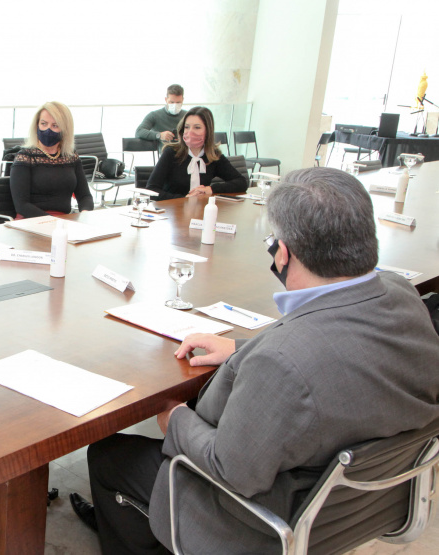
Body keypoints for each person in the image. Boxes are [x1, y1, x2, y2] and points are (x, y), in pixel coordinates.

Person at [71, 167, 439, 554]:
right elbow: (337, 343)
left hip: (264, 525)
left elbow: (230, 470)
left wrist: (174, 416)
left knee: (110, 455)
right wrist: (238, 348)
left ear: (282, 253)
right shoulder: (402, 296)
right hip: (368, 506)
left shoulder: (282, 361)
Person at [9, 101, 93, 218]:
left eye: (55, 125)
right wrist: (54, 222)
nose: (48, 130)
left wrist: (85, 214)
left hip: (63, 220)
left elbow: (85, 196)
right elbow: (22, 205)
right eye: (43, 124)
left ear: (65, 129)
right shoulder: (25, 156)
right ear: (37, 125)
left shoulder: (71, 156)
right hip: (31, 221)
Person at [145, 106, 247, 200]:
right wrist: (183, 199)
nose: (190, 132)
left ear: (208, 131)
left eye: (197, 127)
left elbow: (242, 182)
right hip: (172, 212)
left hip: (200, 212)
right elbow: (151, 190)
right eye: (187, 127)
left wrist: (211, 189)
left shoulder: (213, 155)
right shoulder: (171, 153)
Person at [135, 84, 186, 151]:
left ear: (183, 100)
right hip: (165, 155)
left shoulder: (188, 116)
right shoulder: (155, 115)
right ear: (166, 99)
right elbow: (139, 132)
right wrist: (159, 135)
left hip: (185, 153)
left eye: (178, 102)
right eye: (172, 102)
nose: (175, 105)